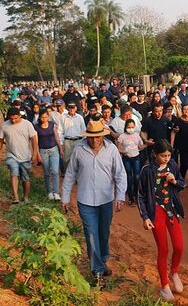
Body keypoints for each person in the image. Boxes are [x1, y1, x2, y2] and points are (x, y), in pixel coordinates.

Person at [61, 119, 127, 288]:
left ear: (102, 136)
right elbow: (69, 174)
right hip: (85, 201)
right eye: (91, 137)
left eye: (97, 136)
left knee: (103, 233)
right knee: (91, 235)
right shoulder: (79, 149)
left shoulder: (111, 149)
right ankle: (97, 271)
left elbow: (120, 174)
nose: (94, 140)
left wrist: (120, 196)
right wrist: (65, 197)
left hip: (106, 200)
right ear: (87, 136)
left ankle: (102, 261)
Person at [138, 140, 185, 302]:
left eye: (168, 155)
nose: (166, 158)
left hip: (171, 210)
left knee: (179, 246)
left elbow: (181, 184)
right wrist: (145, 217)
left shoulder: (172, 165)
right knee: (163, 250)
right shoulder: (147, 170)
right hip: (156, 212)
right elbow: (141, 195)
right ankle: (164, 286)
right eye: (163, 155)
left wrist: (174, 181)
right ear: (155, 155)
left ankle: (174, 272)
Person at [0, 107, 39, 204]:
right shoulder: (5, 126)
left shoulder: (27, 124)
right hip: (11, 155)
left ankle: (25, 197)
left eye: (16, 118)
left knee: (25, 178)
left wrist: (34, 154)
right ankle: (16, 197)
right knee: (14, 173)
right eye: (11, 118)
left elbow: (34, 139)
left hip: (25, 156)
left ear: (19, 116)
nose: (13, 120)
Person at [34, 110, 64, 200]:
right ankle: (49, 192)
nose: (44, 119)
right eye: (42, 117)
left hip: (54, 150)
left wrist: (61, 149)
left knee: (55, 171)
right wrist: (37, 154)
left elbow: (56, 137)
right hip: (43, 151)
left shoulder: (51, 125)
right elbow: (35, 142)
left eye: (46, 117)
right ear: (39, 118)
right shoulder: (36, 127)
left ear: (48, 117)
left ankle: (56, 192)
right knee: (47, 173)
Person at [117, 119, 147, 206]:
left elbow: (140, 146)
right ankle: (131, 198)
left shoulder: (137, 135)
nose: (131, 129)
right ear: (125, 127)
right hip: (126, 158)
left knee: (137, 177)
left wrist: (147, 144)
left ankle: (137, 195)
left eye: (132, 127)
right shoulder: (122, 136)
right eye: (129, 127)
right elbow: (117, 148)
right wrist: (123, 152)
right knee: (129, 177)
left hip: (136, 158)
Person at [61, 102, 86, 170]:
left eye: (73, 108)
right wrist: (61, 142)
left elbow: (83, 130)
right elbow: (60, 130)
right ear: (67, 108)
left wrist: (84, 142)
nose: (71, 109)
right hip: (67, 141)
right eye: (70, 108)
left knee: (79, 159)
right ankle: (67, 175)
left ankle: (78, 177)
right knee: (66, 160)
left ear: (76, 108)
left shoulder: (80, 117)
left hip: (78, 140)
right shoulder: (63, 117)